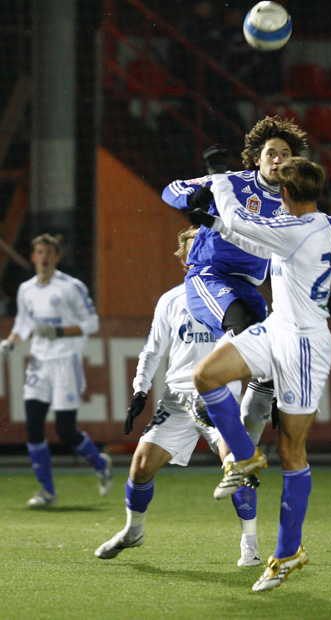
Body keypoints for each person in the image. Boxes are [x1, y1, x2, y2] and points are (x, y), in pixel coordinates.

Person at [162, 117, 331, 449]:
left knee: (269, 368)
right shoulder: (230, 182)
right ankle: (204, 396)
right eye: (271, 153)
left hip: (249, 287)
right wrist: (192, 197)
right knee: (243, 326)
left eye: (285, 154)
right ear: (257, 159)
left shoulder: (291, 202)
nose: (278, 159)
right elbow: (172, 189)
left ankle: (242, 457)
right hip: (211, 276)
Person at [191, 158, 331, 591]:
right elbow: (254, 240)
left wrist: (220, 183)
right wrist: (214, 225)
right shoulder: (311, 223)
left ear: (287, 193)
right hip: (277, 328)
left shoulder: (299, 230)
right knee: (206, 375)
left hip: (304, 346)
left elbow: (243, 221)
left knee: (292, 451)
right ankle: (245, 454)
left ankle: (288, 552)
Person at [94, 227, 260, 567]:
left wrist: (265, 392)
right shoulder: (171, 300)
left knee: (236, 465)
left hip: (218, 398)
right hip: (178, 400)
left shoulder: (235, 296)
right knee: (140, 467)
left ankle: (251, 543)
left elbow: (257, 346)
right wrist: (140, 389)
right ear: (185, 259)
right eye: (195, 250)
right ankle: (133, 531)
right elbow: (152, 350)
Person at [0, 233, 112, 507]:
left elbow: (92, 323)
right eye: (40, 252)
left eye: (49, 253)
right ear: (32, 257)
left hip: (65, 361)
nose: (44, 258)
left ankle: (100, 462)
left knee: (65, 430)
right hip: (39, 362)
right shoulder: (26, 289)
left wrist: (58, 331)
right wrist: (11, 342)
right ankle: (47, 491)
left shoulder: (71, 287)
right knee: (33, 426)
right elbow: (24, 324)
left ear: (57, 257)